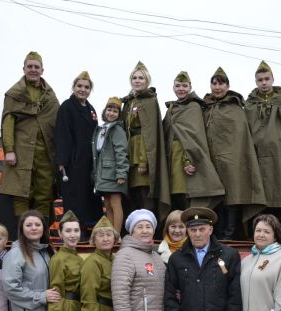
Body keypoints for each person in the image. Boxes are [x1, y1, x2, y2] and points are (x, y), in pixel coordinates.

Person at [203, 66, 266, 239]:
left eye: (221, 83)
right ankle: (215, 233)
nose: (217, 87)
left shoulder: (236, 108)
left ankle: (229, 234)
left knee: (233, 195)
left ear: (227, 86)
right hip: (211, 159)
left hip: (233, 159)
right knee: (216, 197)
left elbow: (242, 135)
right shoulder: (205, 107)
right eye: (214, 83)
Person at [0, 52, 60, 223]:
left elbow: (57, 124)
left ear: (42, 70)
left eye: (36, 67)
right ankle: (22, 236)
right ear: (24, 69)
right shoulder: (14, 94)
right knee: (21, 193)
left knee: (44, 195)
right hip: (21, 153)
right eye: (30, 66)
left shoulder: (50, 96)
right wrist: (9, 150)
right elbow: (7, 123)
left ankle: (42, 238)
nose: (33, 70)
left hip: (45, 154)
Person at [244, 61, 281, 237]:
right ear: (256, 81)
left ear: (272, 79)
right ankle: (261, 236)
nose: (263, 82)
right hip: (258, 157)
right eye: (260, 79)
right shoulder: (249, 104)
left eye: (266, 78)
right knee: (262, 200)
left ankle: (280, 236)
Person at [163, 71, 225, 211]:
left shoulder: (193, 106)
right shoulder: (171, 108)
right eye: (178, 86)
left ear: (190, 87)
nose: (181, 89)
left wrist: (189, 160)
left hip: (185, 158)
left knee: (184, 196)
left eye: (184, 86)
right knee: (174, 198)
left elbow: (195, 137)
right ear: (173, 88)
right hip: (171, 158)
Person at [54, 71, 102, 238]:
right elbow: (61, 134)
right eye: (79, 86)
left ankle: (89, 234)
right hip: (72, 164)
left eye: (86, 87)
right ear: (73, 87)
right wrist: (61, 161)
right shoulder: (67, 107)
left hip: (89, 164)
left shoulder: (91, 110)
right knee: (75, 201)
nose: (83, 89)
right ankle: (75, 234)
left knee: (90, 200)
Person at [120, 61, 170, 216]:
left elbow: (149, 133)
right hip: (129, 151)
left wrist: (144, 160)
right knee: (132, 195)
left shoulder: (150, 101)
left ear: (147, 81)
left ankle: (150, 230)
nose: (137, 80)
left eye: (141, 78)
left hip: (142, 153)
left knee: (145, 194)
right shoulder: (128, 102)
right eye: (134, 78)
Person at [92, 97, 128, 233]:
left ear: (119, 115)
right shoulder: (101, 128)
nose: (111, 113)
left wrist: (121, 173)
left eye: (115, 111)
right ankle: (110, 232)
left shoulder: (117, 130)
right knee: (107, 204)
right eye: (109, 110)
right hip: (103, 173)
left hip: (114, 173)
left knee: (115, 203)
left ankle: (117, 234)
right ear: (104, 111)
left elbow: (121, 152)